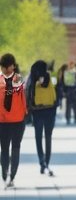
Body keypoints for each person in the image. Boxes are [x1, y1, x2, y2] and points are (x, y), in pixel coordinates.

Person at [27, 60, 59, 178]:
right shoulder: (50, 77)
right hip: (50, 110)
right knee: (48, 137)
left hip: (37, 111)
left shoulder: (32, 78)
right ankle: (46, 163)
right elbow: (56, 91)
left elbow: (28, 94)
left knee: (38, 137)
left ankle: (43, 162)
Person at [0, 53, 27, 189]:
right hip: (15, 121)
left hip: (5, 122)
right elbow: (23, 99)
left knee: (6, 149)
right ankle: (9, 176)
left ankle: (6, 175)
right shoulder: (18, 79)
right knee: (13, 148)